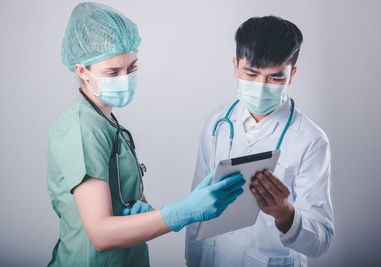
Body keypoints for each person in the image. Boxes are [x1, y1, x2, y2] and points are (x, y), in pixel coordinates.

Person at [47, 2, 245, 266]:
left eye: (131, 68)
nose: (125, 78)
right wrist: (182, 211)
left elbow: (124, 198)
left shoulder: (105, 120)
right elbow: (101, 234)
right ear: (82, 71)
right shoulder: (82, 127)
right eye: (112, 72)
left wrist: (143, 211)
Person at [185, 16, 334, 267]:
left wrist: (285, 215)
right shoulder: (217, 123)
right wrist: (193, 260)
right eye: (251, 73)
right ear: (235, 66)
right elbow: (197, 206)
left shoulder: (311, 140)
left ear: (291, 74)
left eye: (275, 78)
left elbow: (322, 240)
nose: (261, 86)